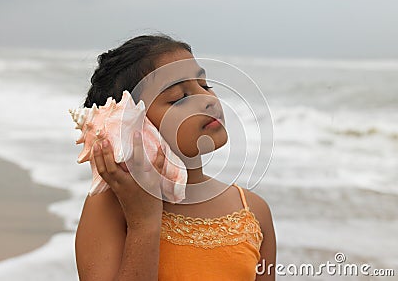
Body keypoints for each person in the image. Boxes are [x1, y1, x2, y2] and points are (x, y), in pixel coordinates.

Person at [75, 33, 276, 280]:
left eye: (204, 85)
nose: (207, 99)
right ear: (134, 126)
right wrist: (144, 222)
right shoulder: (111, 206)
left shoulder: (253, 210)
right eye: (179, 98)